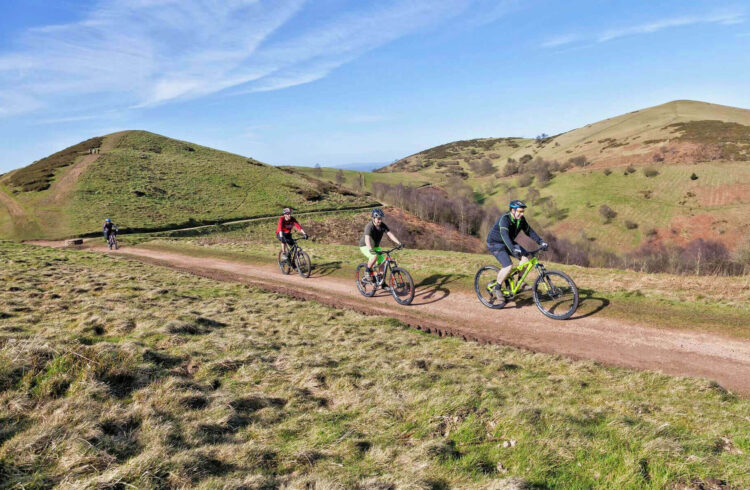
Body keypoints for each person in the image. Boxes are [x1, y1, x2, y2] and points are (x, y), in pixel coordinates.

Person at [486, 200, 548, 297]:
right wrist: (512, 249)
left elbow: (529, 231)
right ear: (512, 210)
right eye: (519, 211)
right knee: (508, 266)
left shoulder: (521, 220)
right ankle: (497, 287)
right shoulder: (505, 219)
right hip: (496, 243)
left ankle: (520, 282)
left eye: (522, 211)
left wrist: (541, 242)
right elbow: (504, 236)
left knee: (526, 258)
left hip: (509, 242)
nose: (521, 213)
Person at [359, 208, 403, 281]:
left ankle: (382, 282)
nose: (380, 220)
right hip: (365, 245)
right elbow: (367, 239)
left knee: (382, 263)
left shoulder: (383, 225)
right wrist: (370, 249)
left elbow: (390, 234)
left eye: (381, 219)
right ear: (373, 218)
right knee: (374, 257)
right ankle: (367, 271)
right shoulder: (369, 226)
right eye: (378, 219)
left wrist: (399, 243)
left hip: (376, 246)